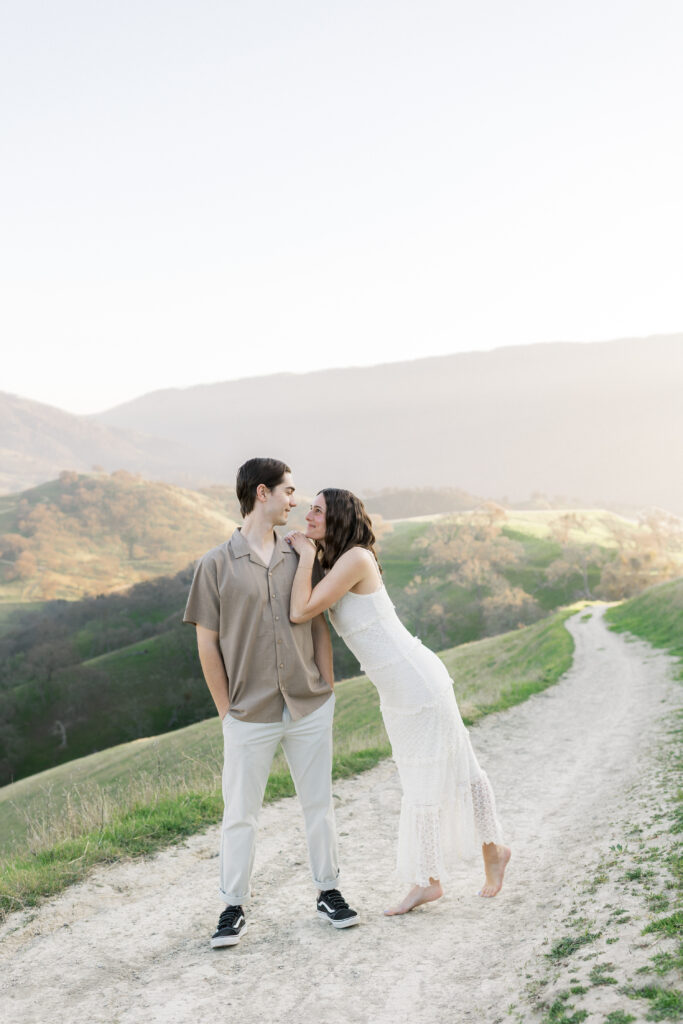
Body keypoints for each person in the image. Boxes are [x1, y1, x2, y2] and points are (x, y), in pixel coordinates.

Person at [286, 488, 510, 916]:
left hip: (417, 682)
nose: (308, 515)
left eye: (317, 510)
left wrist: (305, 555)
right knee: (433, 773)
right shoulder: (337, 562)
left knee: (444, 772)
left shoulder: (355, 559)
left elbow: (301, 610)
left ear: (339, 518)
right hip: (398, 691)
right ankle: (480, 856)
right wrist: (309, 556)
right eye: (309, 509)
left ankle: (432, 879)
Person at [184, 459, 359, 947]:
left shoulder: (301, 554)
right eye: (288, 491)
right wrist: (226, 710)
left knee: (318, 804)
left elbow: (318, 623)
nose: (295, 501)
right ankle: (232, 906)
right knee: (240, 812)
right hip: (248, 712)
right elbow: (206, 644)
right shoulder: (215, 565)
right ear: (262, 493)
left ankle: (328, 891)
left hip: (308, 705)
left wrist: (326, 685)